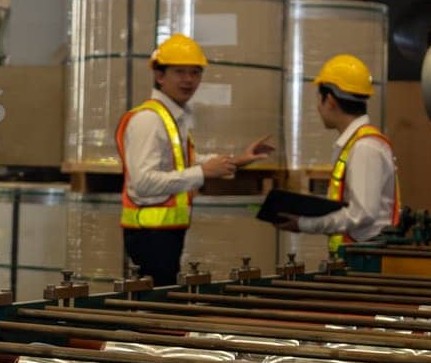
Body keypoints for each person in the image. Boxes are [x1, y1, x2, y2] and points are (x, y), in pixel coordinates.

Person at [116, 34, 274, 286]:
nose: (188, 80)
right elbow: (143, 182)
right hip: (148, 236)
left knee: (162, 305)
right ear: (159, 76)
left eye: (195, 73)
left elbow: (185, 161)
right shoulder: (149, 120)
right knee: (152, 309)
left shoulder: (171, 117)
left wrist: (239, 160)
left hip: (164, 234)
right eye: (180, 72)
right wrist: (202, 173)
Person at [273, 54, 401, 254]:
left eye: (319, 99)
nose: (317, 107)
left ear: (330, 100)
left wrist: (305, 224)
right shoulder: (356, 143)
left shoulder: (365, 147)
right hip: (361, 253)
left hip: (368, 256)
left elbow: (362, 214)